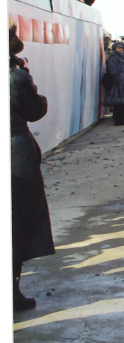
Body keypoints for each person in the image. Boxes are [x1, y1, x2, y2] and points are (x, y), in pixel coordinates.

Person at [10, 21, 54, 312]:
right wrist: (29, 80)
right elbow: (36, 109)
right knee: (17, 223)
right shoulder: (14, 79)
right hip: (15, 151)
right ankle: (11, 291)